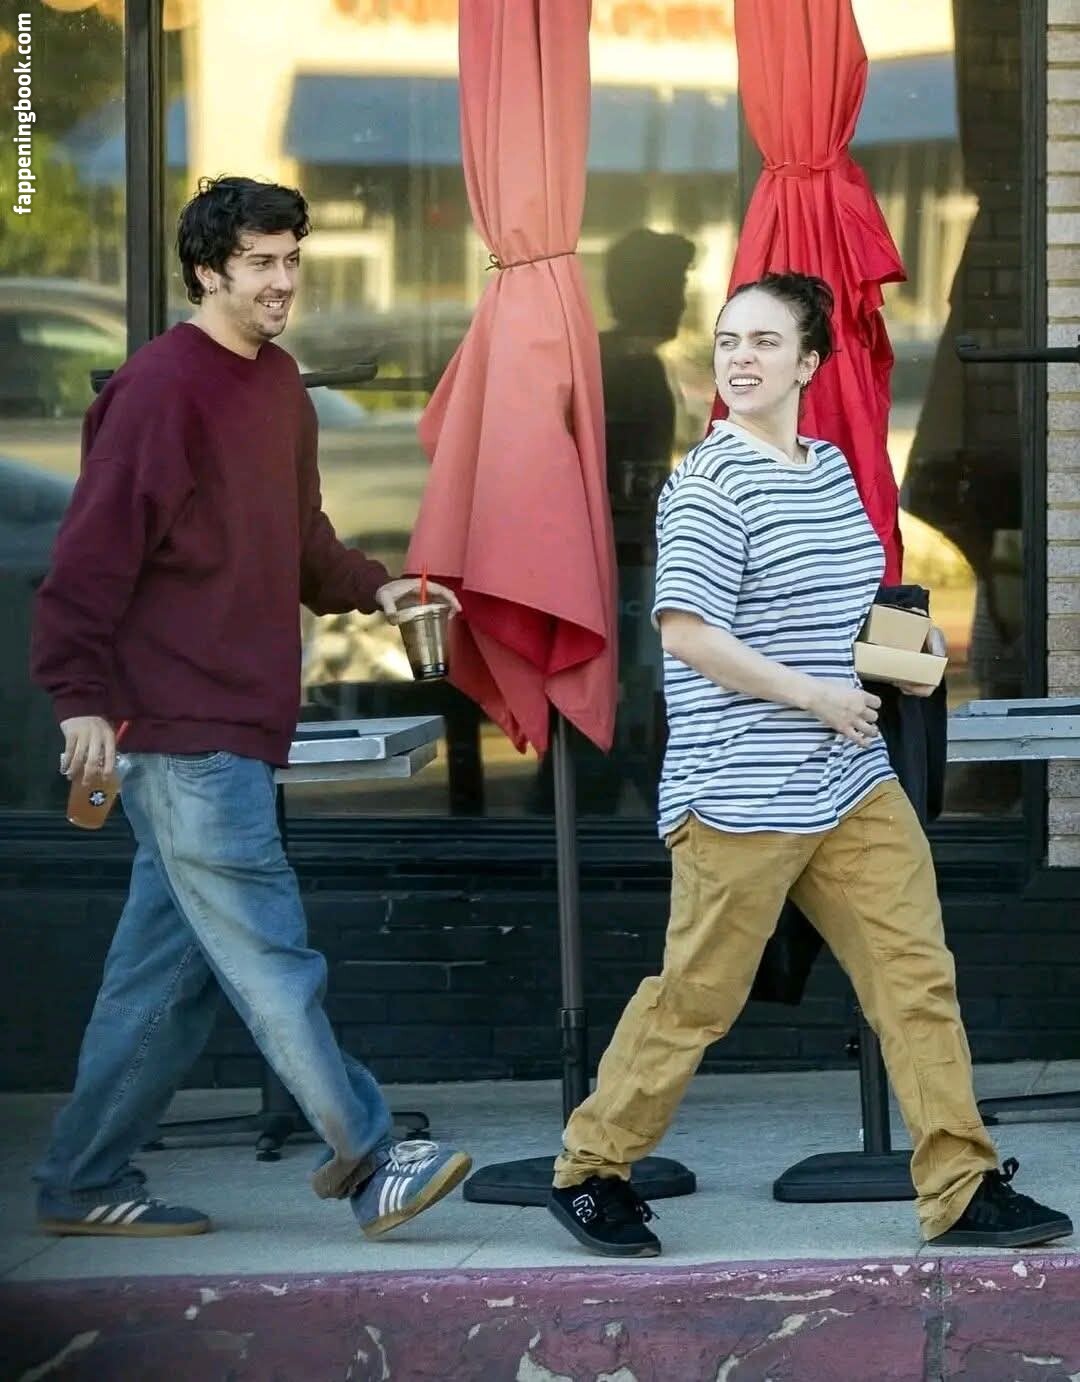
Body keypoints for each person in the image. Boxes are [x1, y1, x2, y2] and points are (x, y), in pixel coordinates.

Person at [546, 271, 1073, 1258]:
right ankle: (590, 1169)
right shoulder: (708, 486)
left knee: (917, 977)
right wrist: (813, 694)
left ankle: (961, 1186)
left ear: (810, 363)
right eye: (728, 341)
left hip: (850, 776)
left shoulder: (827, 468)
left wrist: (907, 652)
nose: (740, 359)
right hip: (739, 788)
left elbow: (851, 605)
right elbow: (687, 632)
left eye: (765, 342)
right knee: (698, 996)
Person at [29, 175, 470, 1240]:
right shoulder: (158, 389)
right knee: (271, 955)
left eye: (291, 261)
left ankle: (81, 1181)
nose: (281, 282)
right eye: (260, 263)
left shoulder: (277, 386)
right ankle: (370, 1158)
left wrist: (378, 588)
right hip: (179, 731)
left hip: (234, 724)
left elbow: (302, 540)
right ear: (207, 271)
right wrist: (78, 697)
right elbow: (87, 561)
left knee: (164, 981)